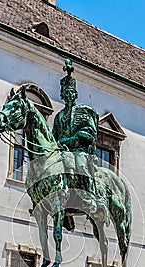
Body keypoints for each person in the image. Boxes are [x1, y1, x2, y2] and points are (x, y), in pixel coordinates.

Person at [52, 59, 99, 213]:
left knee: (79, 165)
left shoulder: (84, 111)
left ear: (76, 94)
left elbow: (90, 132)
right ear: (62, 95)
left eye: (71, 92)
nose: (68, 95)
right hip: (63, 151)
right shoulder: (59, 116)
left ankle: (87, 196)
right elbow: (54, 136)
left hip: (80, 150)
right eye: (65, 93)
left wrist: (72, 139)